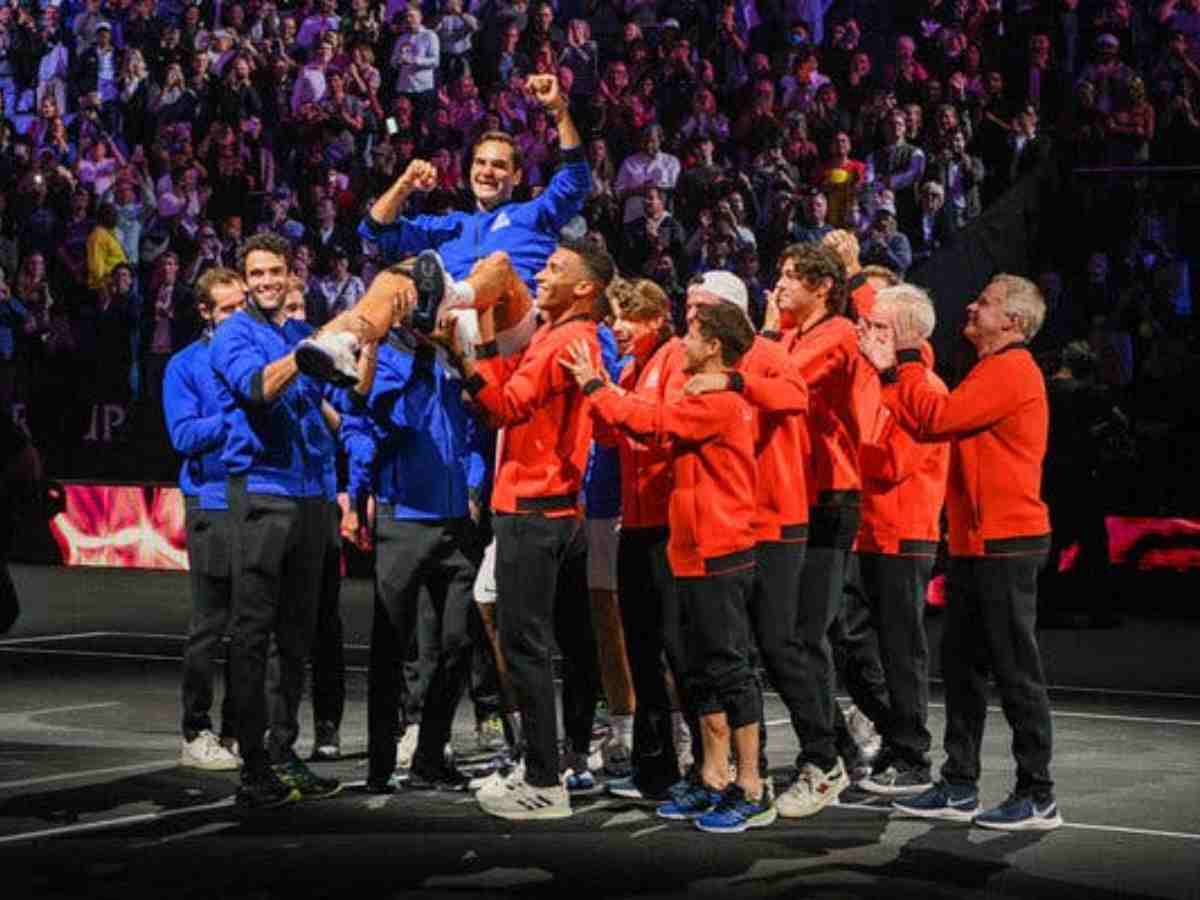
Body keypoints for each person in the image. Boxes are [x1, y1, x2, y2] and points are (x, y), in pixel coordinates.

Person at [859, 274, 1061, 831]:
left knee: (1015, 670)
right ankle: (959, 783)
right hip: (977, 542)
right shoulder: (989, 370)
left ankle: (1037, 792)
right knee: (964, 668)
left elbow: (936, 419)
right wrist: (894, 372)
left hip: (1006, 541)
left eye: (988, 304)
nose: (972, 306)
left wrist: (900, 362)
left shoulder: (1011, 370)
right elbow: (931, 423)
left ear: (1013, 323)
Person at [562, 301, 773, 835]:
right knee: (698, 668)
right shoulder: (705, 391)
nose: (686, 339)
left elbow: (652, 421)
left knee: (728, 668)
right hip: (693, 548)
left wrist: (594, 385)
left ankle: (751, 783)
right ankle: (712, 773)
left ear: (716, 347)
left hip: (721, 549)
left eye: (695, 334)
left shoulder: (721, 401)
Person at [463, 237, 612, 821]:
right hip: (553, 509)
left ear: (584, 288)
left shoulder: (568, 339)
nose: (542, 274)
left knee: (525, 648)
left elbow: (504, 407)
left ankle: (545, 781)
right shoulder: (561, 335)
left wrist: (465, 361)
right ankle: (554, 763)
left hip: (534, 509)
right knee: (566, 644)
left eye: (555, 268)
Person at [209, 233, 346, 811]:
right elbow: (257, 389)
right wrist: (305, 356)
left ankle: (284, 751)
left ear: (292, 276)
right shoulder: (234, 333)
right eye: (257, 274)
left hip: (312, 496)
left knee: (298, 635)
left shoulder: (296, 332)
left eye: (276, 272)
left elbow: (337, 393)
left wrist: (345, 344)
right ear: (243, 282)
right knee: (252, 634)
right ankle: (254, 765)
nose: (266, 282)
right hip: (264, 494)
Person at [338, 266, 486, 794]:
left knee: (456, 644)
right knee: (390, 646)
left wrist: (473, 486)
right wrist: (359, 494)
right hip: (403, 520)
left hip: (454, 523)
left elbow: (474, 432)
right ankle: (380, 761)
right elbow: (371, 422)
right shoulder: (384, 357)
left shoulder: (453, 358)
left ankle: (430, 754)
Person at [765, 240, 876, 819]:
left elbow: (779, 383)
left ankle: (825, 758)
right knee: (787, 634)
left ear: (822, 287)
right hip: (792, 498)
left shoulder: (834, 336)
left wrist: (757, 340)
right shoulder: (788, 336)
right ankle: (835, 748)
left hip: (830, 496)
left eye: (790, 277)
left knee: (803, 633)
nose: (779, 286)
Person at [851, 284, 949, 796]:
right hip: (868, 530)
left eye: (878, 328)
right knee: (845, 637)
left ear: (906, 335)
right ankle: (894, 731)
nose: (865, 336)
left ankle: (912, 755)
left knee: (900, 649)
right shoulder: (877, 381)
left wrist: (845, 457)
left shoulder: (923, 386)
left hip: (904, 532)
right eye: (867, 326)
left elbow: (891, 464)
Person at [163, 267, 246, 771]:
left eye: (243, 306)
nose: (239, 315)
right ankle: (196, 731)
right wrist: (235, 415)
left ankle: (238, 730)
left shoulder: (258, 353)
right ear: (206, 312)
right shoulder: (184, 365)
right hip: (211, 501)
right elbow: (183, 436)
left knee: (251, 625)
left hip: (255, 497)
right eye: (228, 309)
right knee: (211, 623)